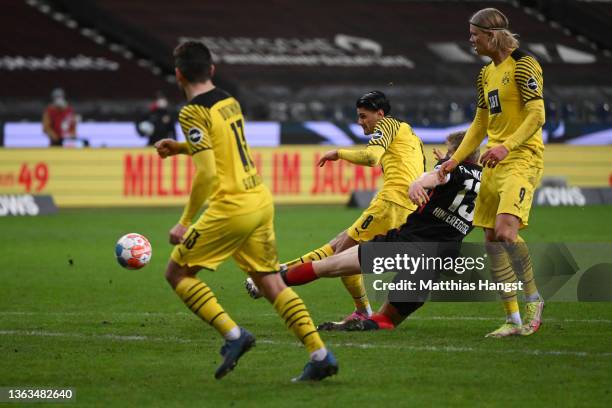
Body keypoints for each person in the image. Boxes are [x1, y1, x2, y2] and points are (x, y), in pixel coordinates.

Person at [154, 40, 337, 381]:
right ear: (211, 69)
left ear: (178, 74)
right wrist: (181, 148)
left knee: (177, 273)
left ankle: (235, 335)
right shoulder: (228, 99)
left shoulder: (192, 111)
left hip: (232, 205)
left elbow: (208, 173)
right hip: (259, 198)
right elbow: (224, 147)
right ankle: (320, 355)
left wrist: (184, 222)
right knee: (268, 281)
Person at [257, 131, 481, 331]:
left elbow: (434, 177)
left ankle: (273, 280)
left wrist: (420, 182)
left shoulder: (451, 169)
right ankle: (363, 323)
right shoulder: (488, 183)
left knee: (330, 265)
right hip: (439, 258)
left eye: (451, 152)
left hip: (408, 244)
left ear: (458, 154)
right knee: (386, 320)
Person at [248, 91, 425, 323]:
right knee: (341, 245)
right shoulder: (407, 131)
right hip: (402, 205)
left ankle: (276, 277)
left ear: (380, 114)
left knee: (340, 255)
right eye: (358, 117)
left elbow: (372, 157)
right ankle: (359, 309)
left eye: (364, 116)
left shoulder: (387, 125)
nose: (360, 122)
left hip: (392, 203)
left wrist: (339, 153)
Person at [439, 8, 545, 338]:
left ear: (491, 35)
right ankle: (512, 319)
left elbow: (537, 115)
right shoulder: (485, 75)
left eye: (475, 34)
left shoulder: (525, 64)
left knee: (505, 233)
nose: (471, 40)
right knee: (490, 240)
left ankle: (533, 299)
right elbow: (480, 124)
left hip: (521, 158)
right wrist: (453, 160)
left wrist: (507, 146)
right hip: (492, 163)